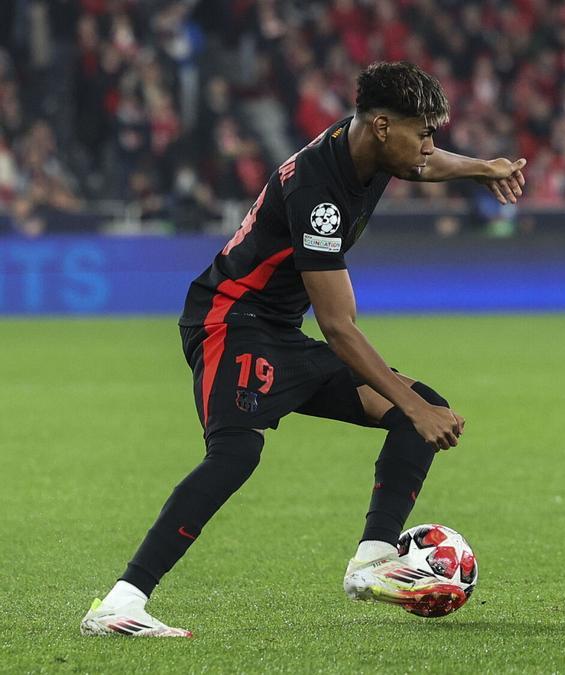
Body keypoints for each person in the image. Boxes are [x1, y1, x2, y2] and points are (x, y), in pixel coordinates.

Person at [81, 61, 527, 637]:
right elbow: (340, 328)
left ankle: (372, 560)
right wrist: (415, 409)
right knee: (238, 452)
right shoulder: (319, 192)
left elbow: (422, 163)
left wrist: (479, 168)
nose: (431, 144)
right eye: (424, 131)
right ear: (385, 126)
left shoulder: (369, 145)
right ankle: (122, 601)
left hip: (278, 330)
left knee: (418, 406)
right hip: (229, 319)